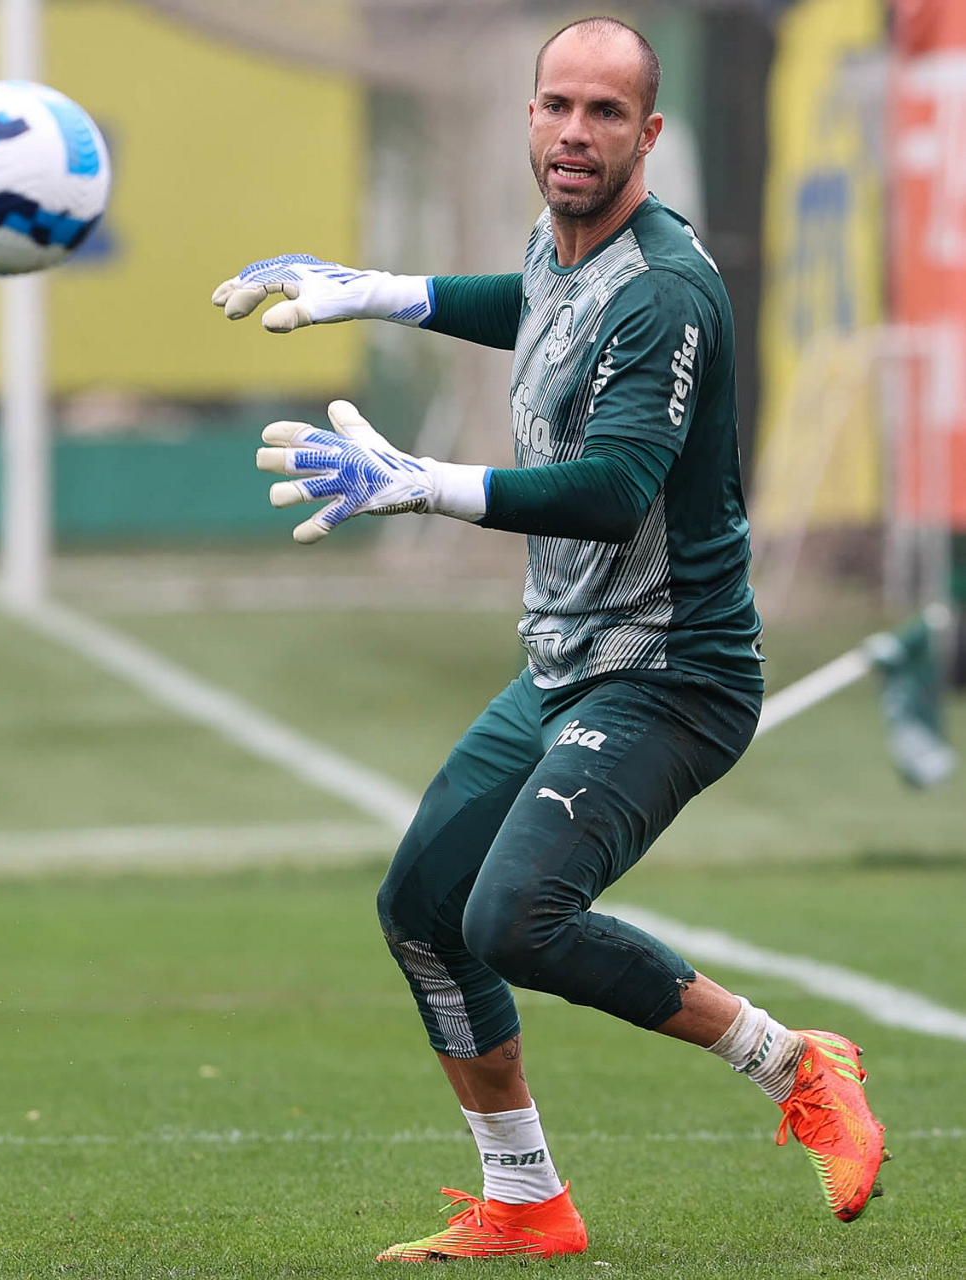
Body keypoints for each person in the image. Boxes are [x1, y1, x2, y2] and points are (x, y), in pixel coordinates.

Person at [212, 15, 888, 1262]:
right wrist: (375, 291)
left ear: (649, 133)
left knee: (515, 915)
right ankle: (524, 1196)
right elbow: (530, 304)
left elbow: (616, 489)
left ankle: (794, 1062)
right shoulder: (559, 243)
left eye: (604, 112)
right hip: (567, 662)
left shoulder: (665, 290)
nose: (575, 132)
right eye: (557, 106)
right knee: (423, 910)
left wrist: (420, 481)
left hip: (672, 674)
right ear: (531, 115)